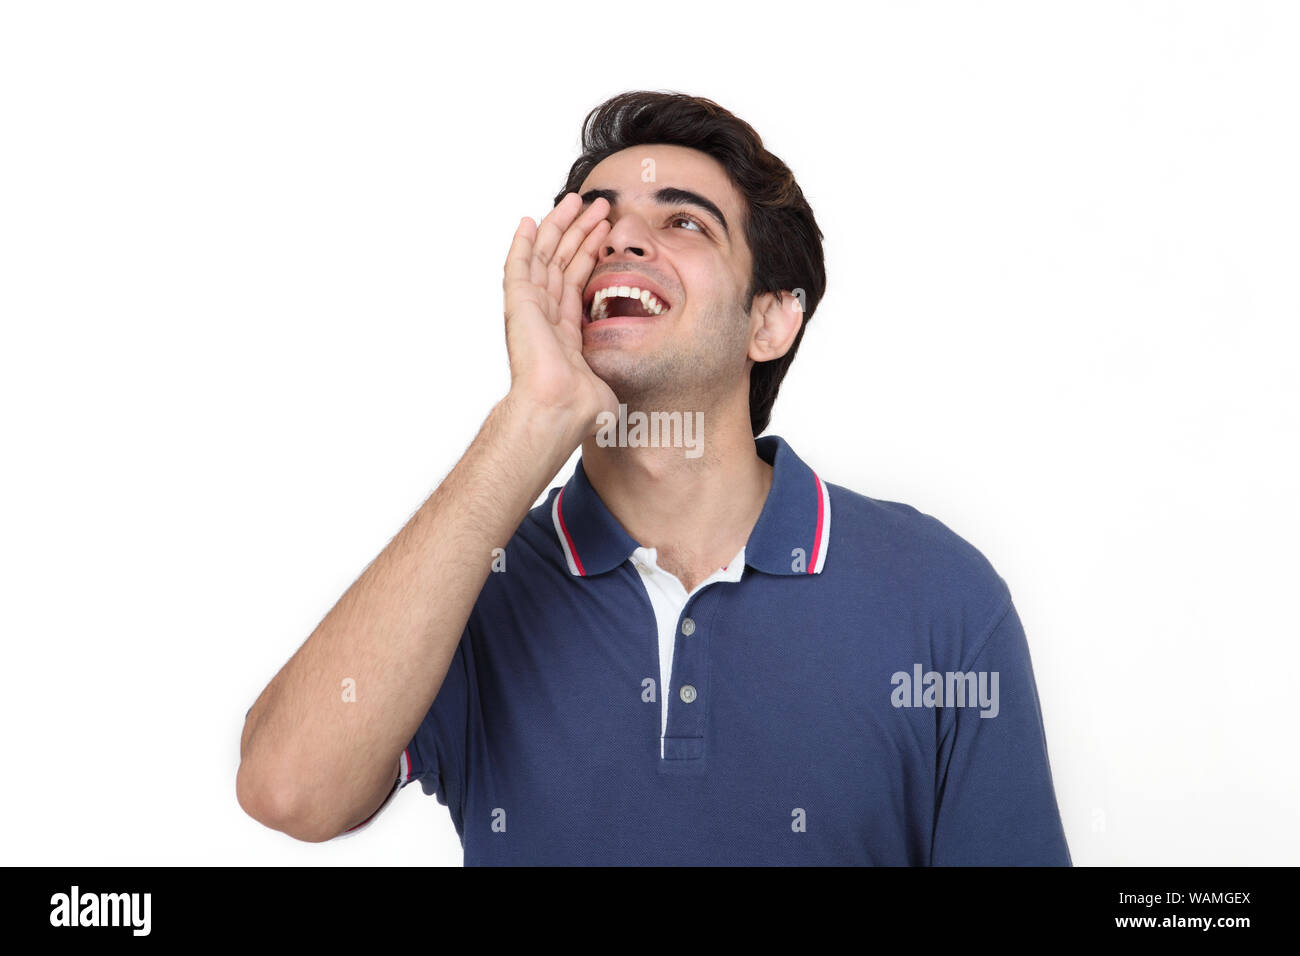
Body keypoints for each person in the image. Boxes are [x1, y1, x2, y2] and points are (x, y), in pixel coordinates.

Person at [236, 90, 1071, 865]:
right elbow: (288, 791)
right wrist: (531, 419)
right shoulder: (475, 582)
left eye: (685, 224)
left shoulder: (940, 597)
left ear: (772, 319)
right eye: (596, 224)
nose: (623, 240)